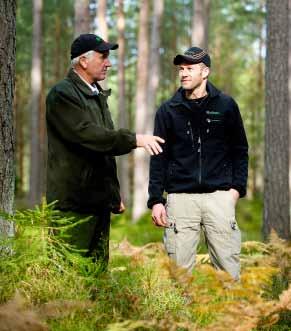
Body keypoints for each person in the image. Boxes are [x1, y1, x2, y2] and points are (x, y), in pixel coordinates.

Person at [46, 33, 164, 268]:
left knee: (97, 276)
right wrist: (134, 139)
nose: (108, 63)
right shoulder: (63, 94)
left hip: (97, 203)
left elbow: (104, 153)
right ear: (83, 61)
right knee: (68, 277)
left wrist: (112, 192)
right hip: (73, 206)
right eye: (103, 57)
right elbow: (89, 136)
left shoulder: (96, 94)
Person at [148, 47, 248, 280]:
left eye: (189, 69)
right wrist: (156, 200)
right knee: (178, 274)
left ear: (205, 72)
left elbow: (240, 150)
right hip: (180, 201)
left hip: (219, 198)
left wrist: (235, 191)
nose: (183, 73)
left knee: (228, 271)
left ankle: (232, 316)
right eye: (181, 69)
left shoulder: (226, 105)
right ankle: (179, 317)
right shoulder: (167, 110)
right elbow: (158, 157)